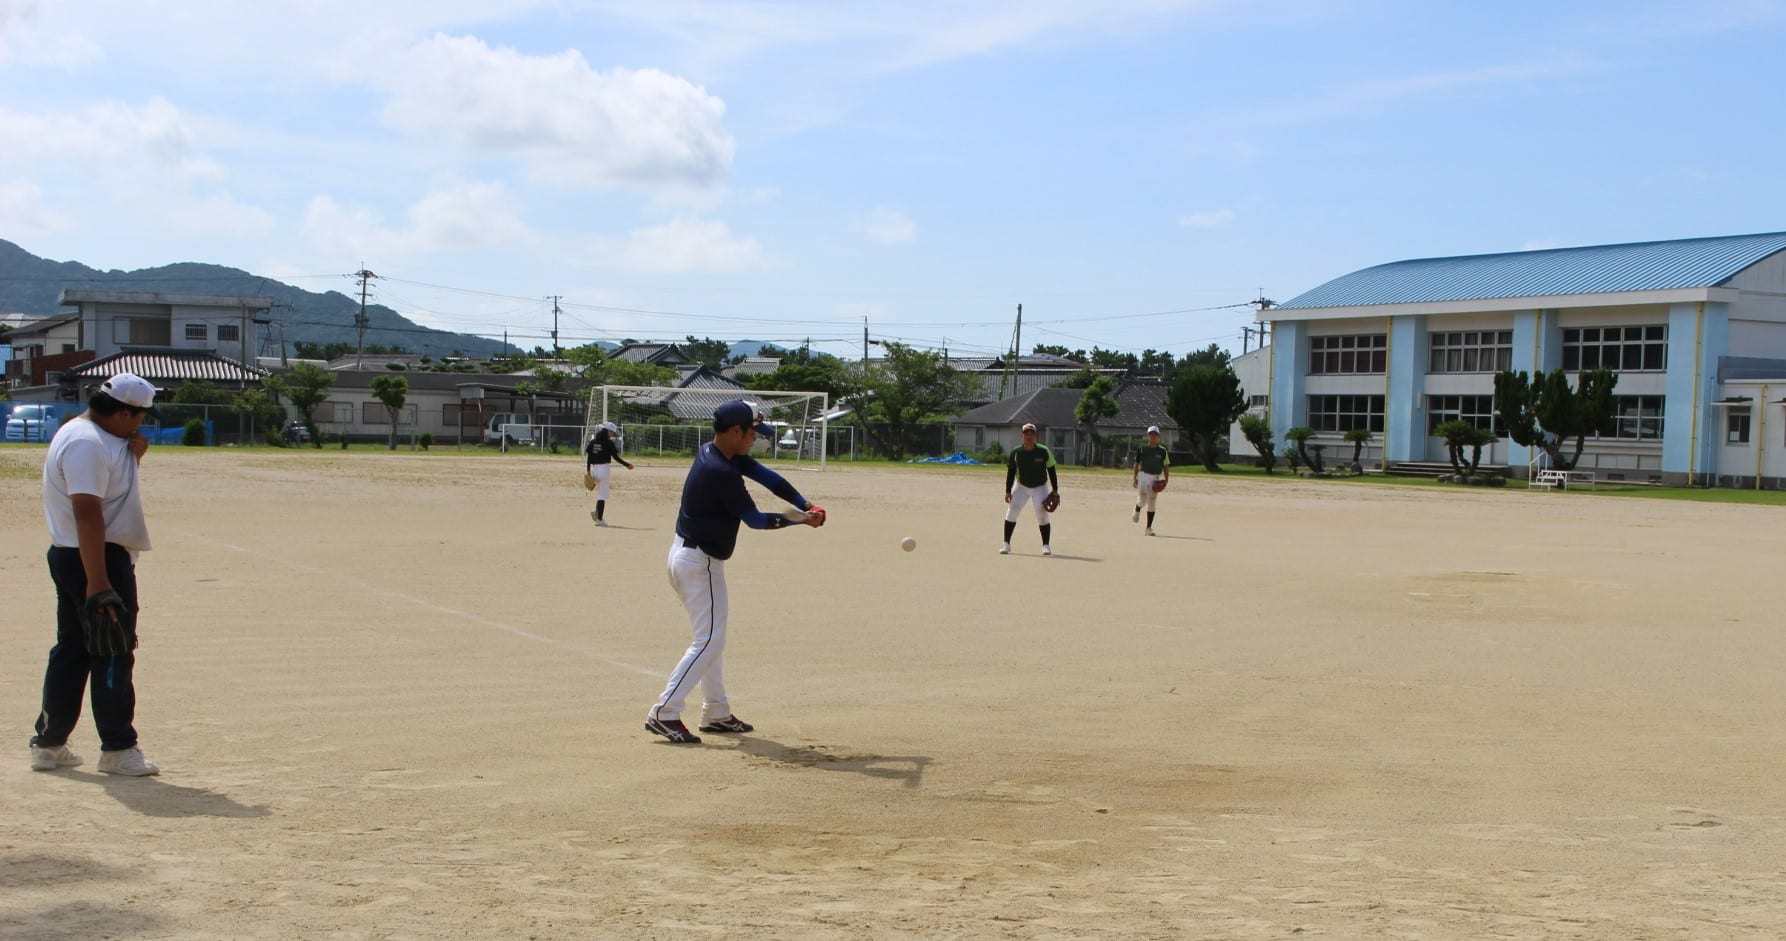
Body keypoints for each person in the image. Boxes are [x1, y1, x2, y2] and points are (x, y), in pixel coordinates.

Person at [645, 400, 826, 744]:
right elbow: (756, 520)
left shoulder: (718, 453)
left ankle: (716, 712)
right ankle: (665, 711)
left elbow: (768, 477)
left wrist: (805, 504)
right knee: (710, 639)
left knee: (711, 639)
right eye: (753, 432)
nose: (756, 439)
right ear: (734, 431)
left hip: (689, 558)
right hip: (699, 564)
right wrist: (802, 520)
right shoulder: (721, 472)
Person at [29, 373, 162, 776]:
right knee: (113, 649)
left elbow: (107, 491)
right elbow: (87, 511)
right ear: (123, 412)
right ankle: (118, 748)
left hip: (76, 555)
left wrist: (133, 455)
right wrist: (100, 583)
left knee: (72, 650)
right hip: (94, 557)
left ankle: (50, 744)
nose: (141, 424)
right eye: (139, 416)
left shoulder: (92, 436)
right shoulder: (87, 444)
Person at [1001, 422, 1059, 556]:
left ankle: (1046, 545)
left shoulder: (1043, 451)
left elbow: (1051, 470)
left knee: (1042, 514)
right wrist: (1008, 491)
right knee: (1013, 509)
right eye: (1026, 433)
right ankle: (1006, 543)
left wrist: (1055, 489)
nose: (1029, 436)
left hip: (1040, 486)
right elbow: (1011, 472)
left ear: (1035, 436)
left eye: (1031, 433)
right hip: (1021, 485)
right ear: (1022, 436)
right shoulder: (1016, 452)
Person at [584, 421, 634, 526]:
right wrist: (627, 465)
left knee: (600, 493)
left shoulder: (593, 442)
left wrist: (588, 471)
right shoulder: (608, 443)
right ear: (607, 431)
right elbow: (615, 457)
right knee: (603, 494)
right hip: (604, 469)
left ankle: (597, 512)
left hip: (594, 470)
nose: (612, 435)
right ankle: (599, 518)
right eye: (612, 432)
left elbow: (589, 457)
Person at [1131, 425, 1171, 536]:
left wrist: (1166, 479)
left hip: (1155, 477)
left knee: (1152, 502)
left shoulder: (1162, 451)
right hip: (1143, 476)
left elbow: (1166, 466)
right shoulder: (1142, 449)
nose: (1153, 437)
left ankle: (1148, 528)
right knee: (1143, 499)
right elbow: (1136, 464)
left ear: (1158, 437)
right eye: (1151, 435)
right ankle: (1137, 508)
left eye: (1155, 435)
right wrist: (1134, 478)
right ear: (1148, 436)